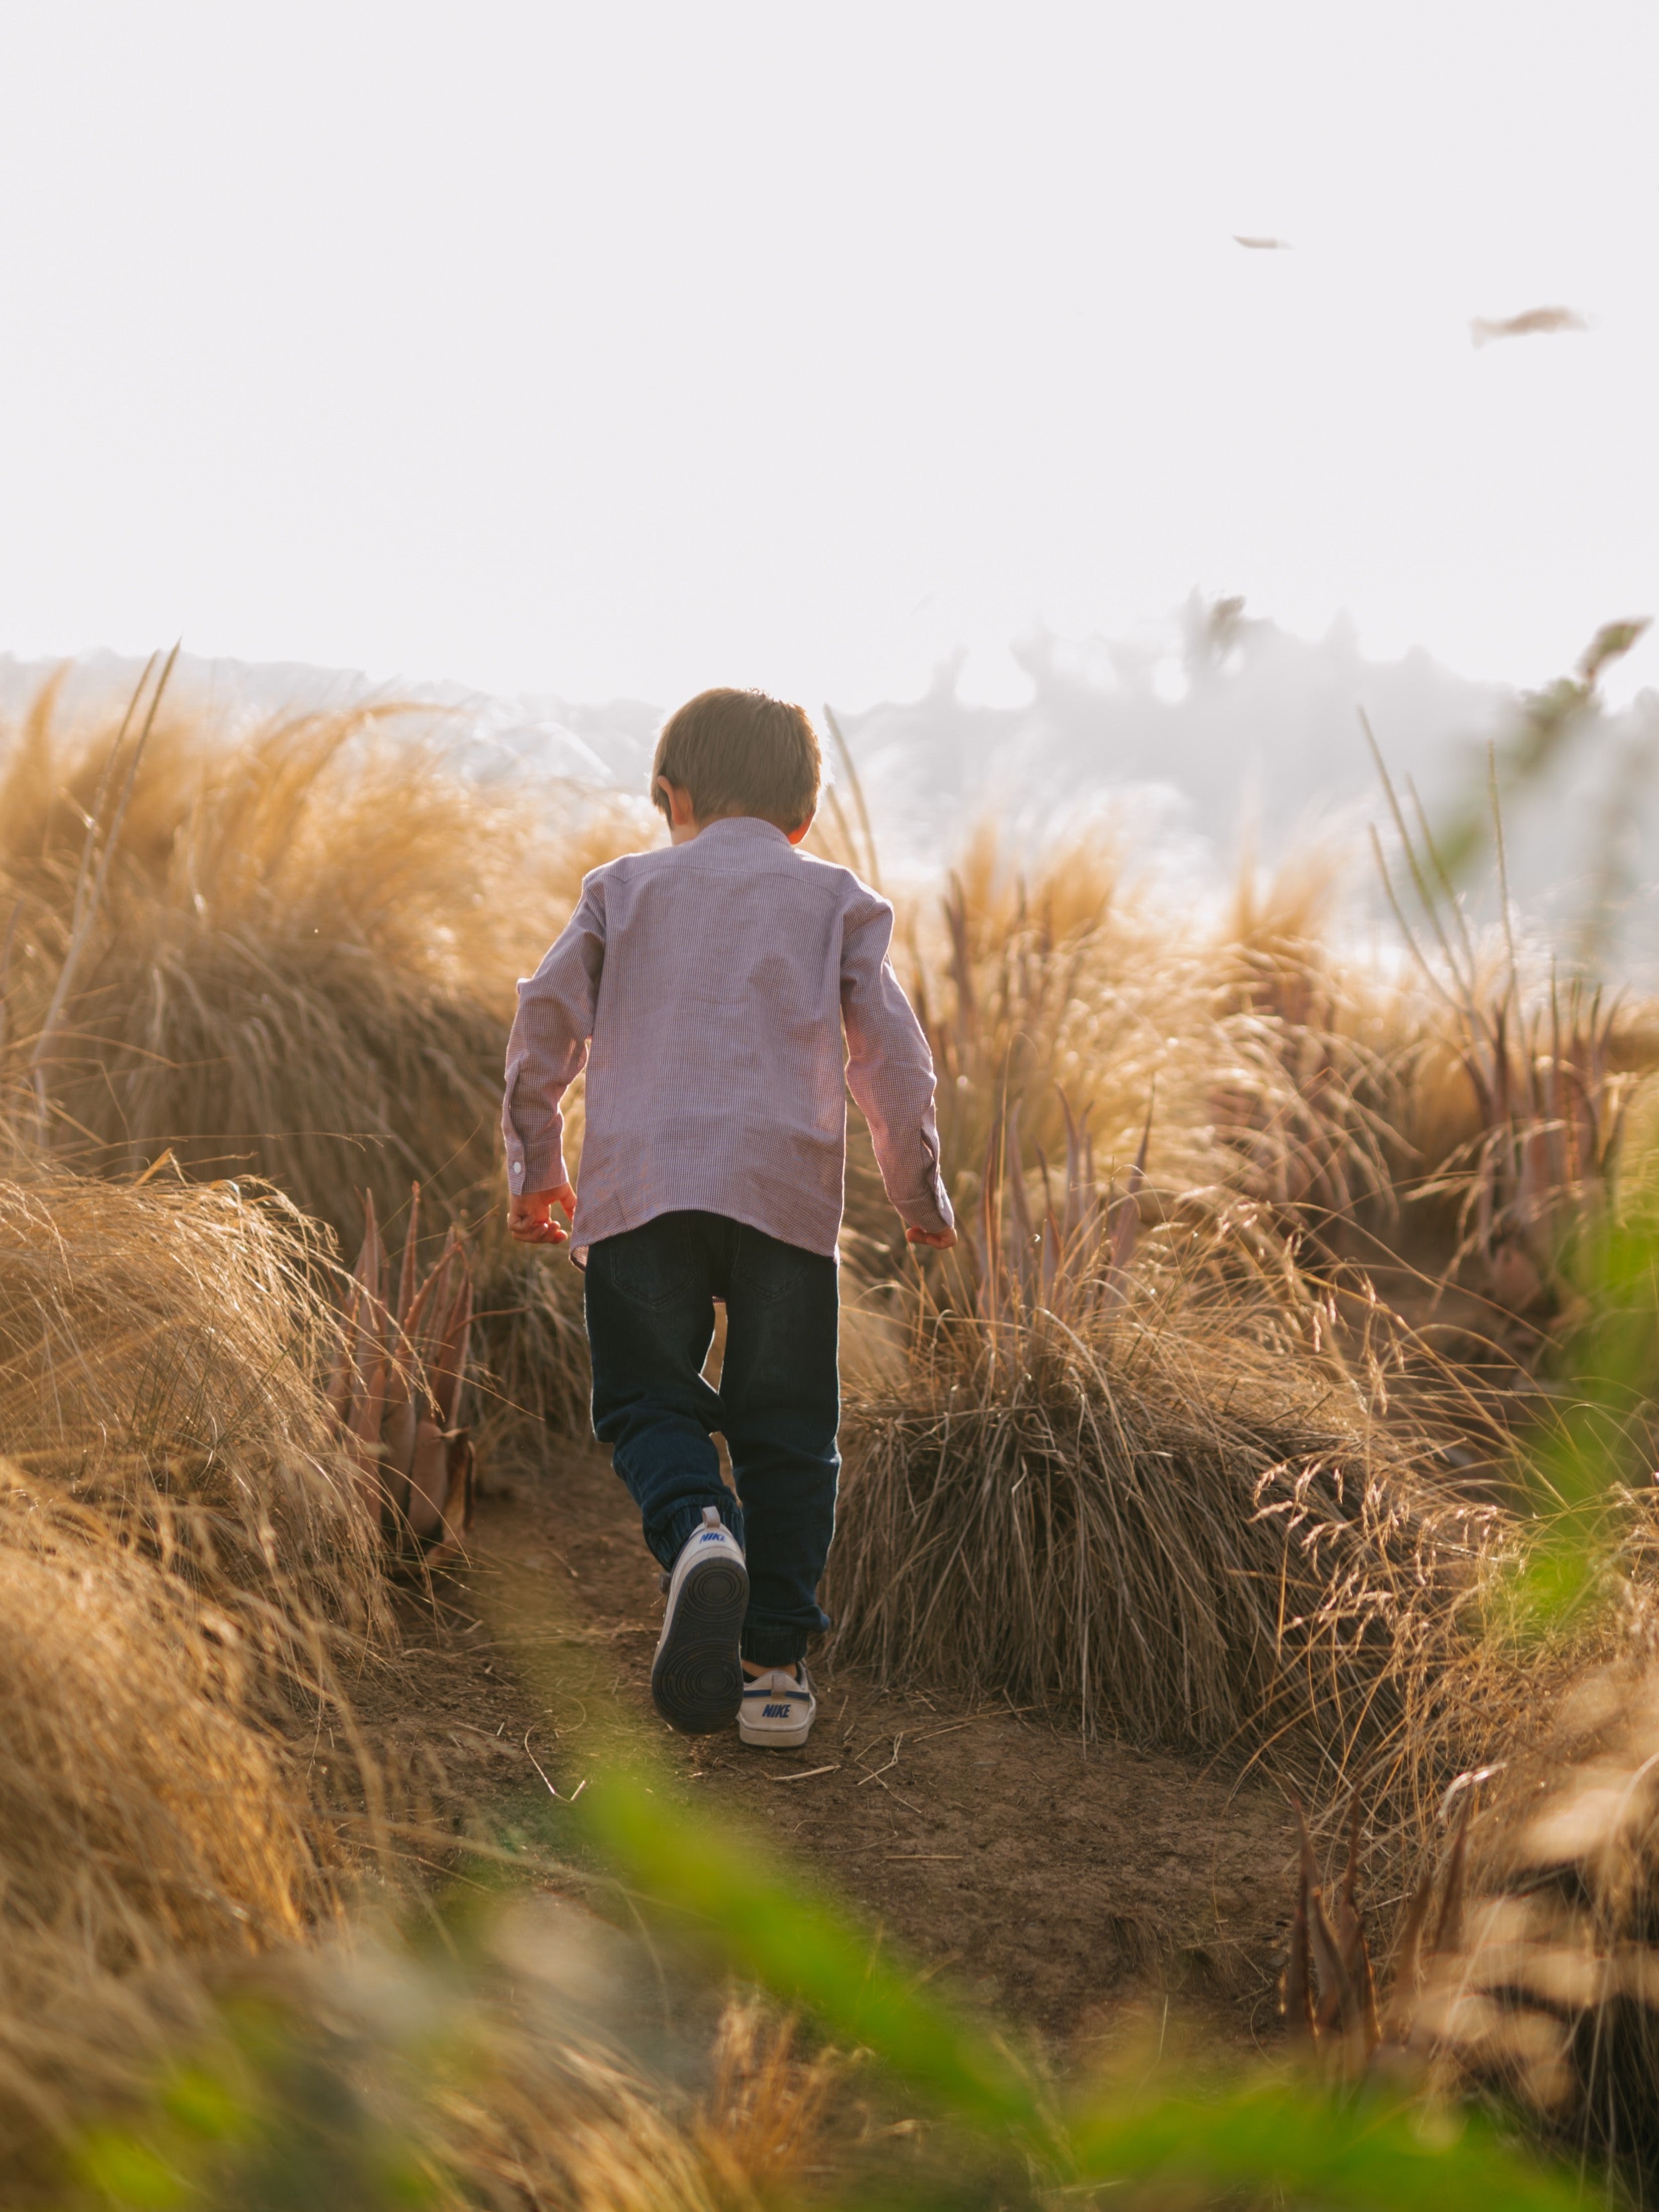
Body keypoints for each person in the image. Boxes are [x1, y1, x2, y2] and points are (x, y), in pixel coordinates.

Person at [502, 687, 956, 1749]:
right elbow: (891, 1058)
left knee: (646, 1402)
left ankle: (700, 1529)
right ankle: (774, 1671)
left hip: (641, 1186)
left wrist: (536, 1163)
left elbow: (546, 1021)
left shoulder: (621, 889)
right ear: (803, 815)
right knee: (791, 1430)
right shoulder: (837, 900)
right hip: (782, 1194)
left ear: (674, 796)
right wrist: (917, 1191)